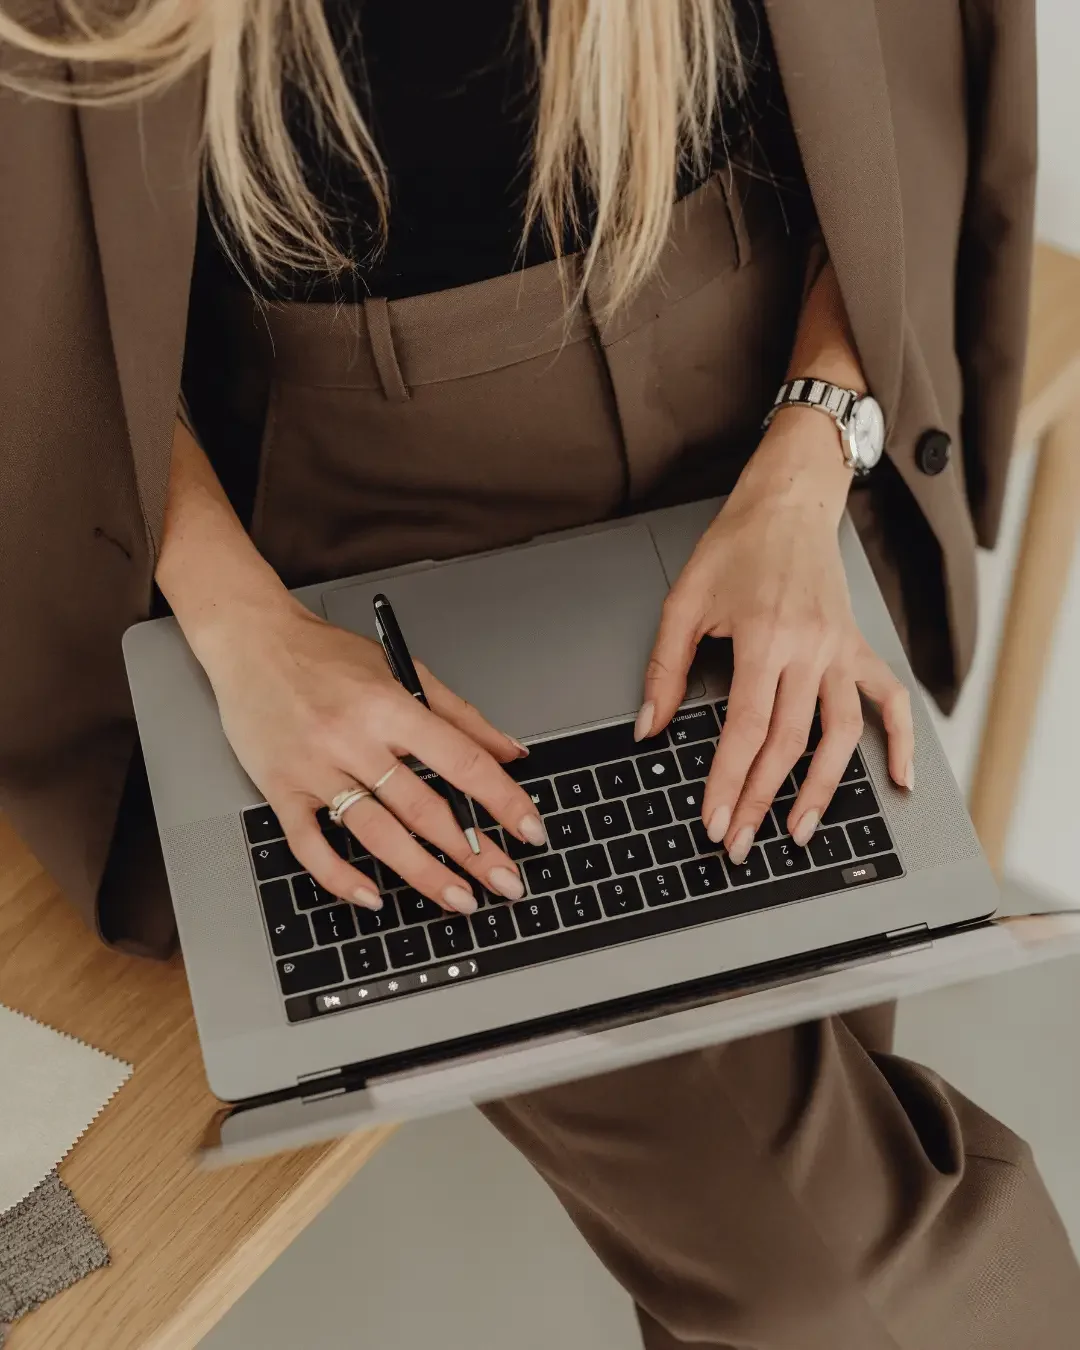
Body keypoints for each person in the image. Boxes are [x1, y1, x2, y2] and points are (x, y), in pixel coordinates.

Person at [1, 1, 1077, 1345]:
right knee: (845, 1287)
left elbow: (902, 100)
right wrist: (237, 623)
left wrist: (812, 455)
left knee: (803, 1189)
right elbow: (31, 276)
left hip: (768, 435)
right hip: (363, 546)